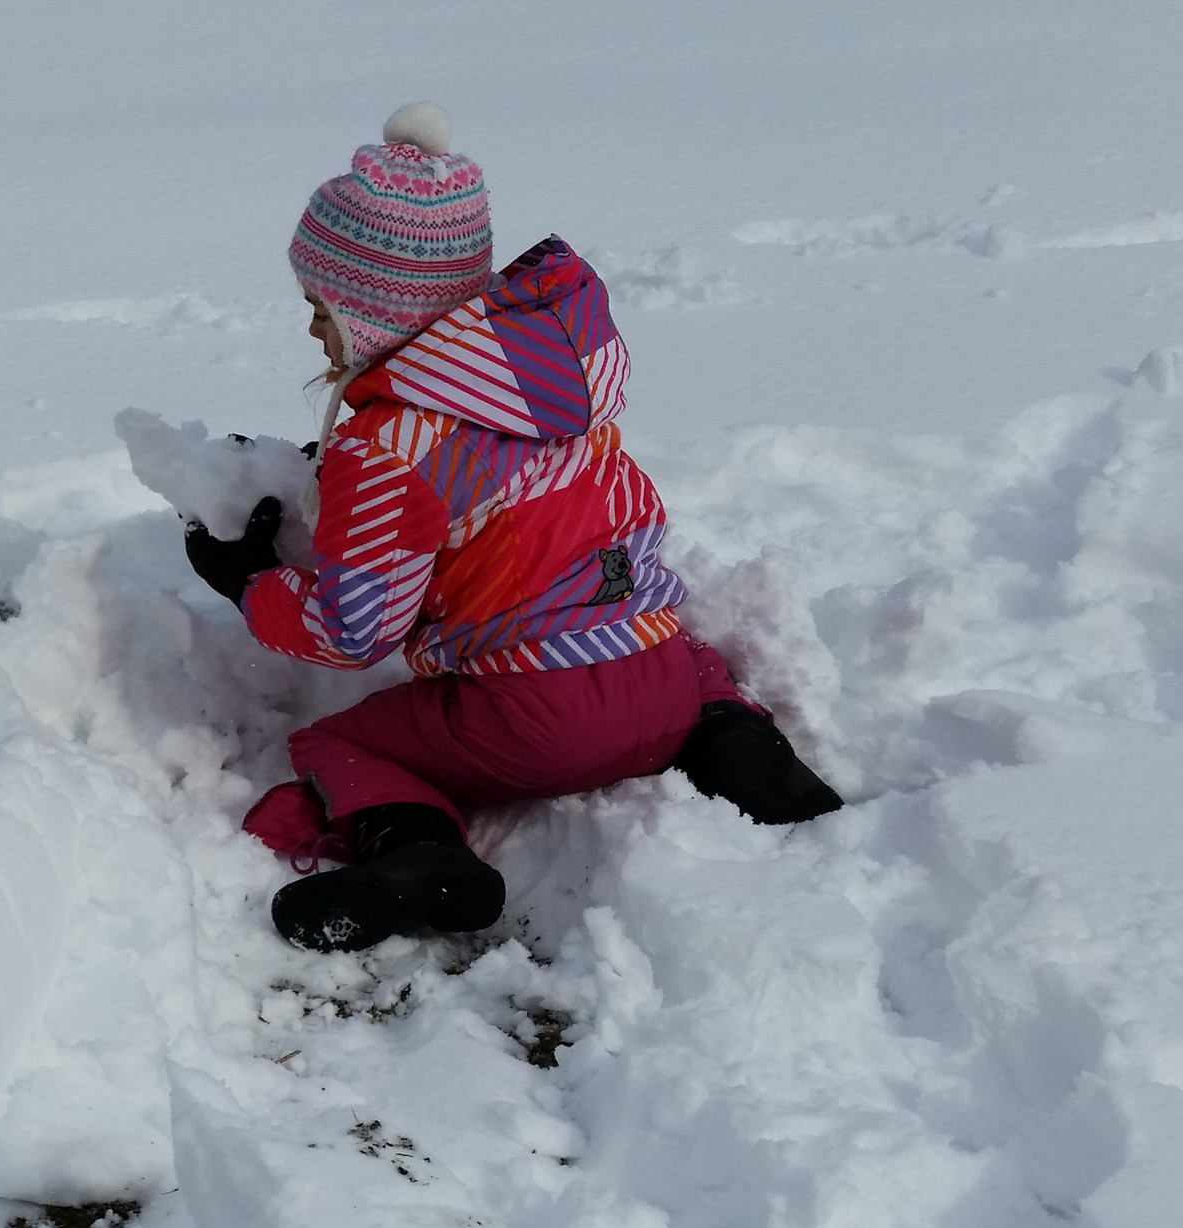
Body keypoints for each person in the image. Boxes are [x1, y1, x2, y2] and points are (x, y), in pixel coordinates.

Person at [184, 105, 843, 954]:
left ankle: (418, 854)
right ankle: (731, 740)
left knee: (337, 740)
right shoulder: (550, 383)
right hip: (662, 677)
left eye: (322, 307)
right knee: (680, 654)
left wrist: (249, 585)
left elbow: (356, 630)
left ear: (376, 311)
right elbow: (481, 487)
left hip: (536, 723)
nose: (312, 327)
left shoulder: (388, 449)